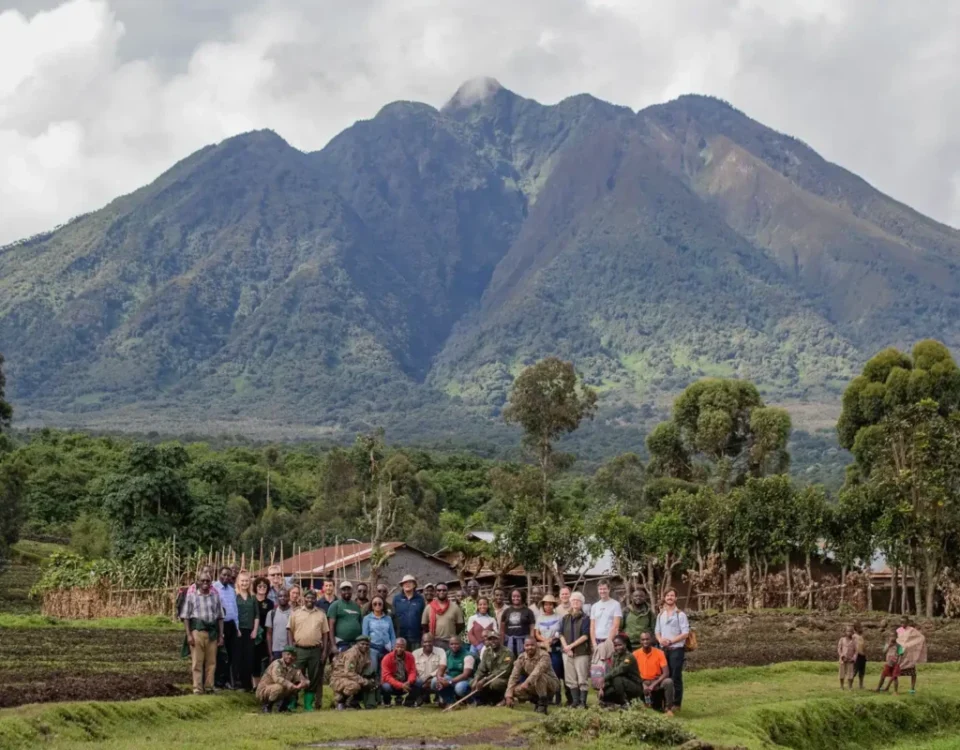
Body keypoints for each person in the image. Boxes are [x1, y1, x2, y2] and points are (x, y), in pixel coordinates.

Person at [180, 570, 225, 695]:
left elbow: (220, 617)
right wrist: (189, 635)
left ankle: (209, 687)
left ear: (211, 583)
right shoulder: (191, 597)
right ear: (198, 582)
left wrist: (221, 635)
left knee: (211, 662)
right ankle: (197, 688)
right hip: (197, 632)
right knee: (197, 662)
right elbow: (186, 617)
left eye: (208, 581)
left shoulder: (215, 597)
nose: (205, 583)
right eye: (203, 580)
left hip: (212, 633)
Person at [287, 588, 330, 711]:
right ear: (303, 599)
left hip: (315, 651)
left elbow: (326, 634)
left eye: (312, 598)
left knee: (313, 677)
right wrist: (291, 649)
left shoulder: (321, 614)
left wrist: (324, 652)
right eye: (308, 597)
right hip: (299, 650)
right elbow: (289, 630)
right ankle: (293, 702)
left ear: (315, 599)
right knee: (296, 676)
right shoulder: (296, 613)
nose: (310, 600)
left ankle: (308, 704)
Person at [504, 637, 561, 715]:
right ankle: (536, 701)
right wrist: (508, 695)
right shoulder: (521, 657)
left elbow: (537, 671)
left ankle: (542, 705)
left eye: (532, 645)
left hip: (551, 685)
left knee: (539, 676)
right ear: (524, 646)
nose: (529, 647)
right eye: (527, 645)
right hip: (534, 684)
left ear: (536, 645)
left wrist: (527, 682)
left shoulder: (544, 655)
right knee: (515, 690)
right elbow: (514, 676)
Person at [655, 588, 689, 711]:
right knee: (663, 676)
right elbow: (657, 631)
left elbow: (685, 633)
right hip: (663, 650)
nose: (670, 597)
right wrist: (660, 640)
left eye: (672, 595)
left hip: (676, 649)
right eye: (668, 595)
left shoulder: (680, 614)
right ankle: (665, 701)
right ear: (664, 598)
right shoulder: (660, 615)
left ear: (676, 598)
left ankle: (676, 703)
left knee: (675, 676)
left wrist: (671, 641)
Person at [559, 590, 591, 708]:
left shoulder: (585, 618)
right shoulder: (565, 617)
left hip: (581, 652)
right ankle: (575, 701)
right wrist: (566, 648)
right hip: (567, 653)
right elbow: (560, 634)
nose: (575, 602)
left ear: (582, 603)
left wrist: (571, 646)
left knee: (582, 677)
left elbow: (585, 636)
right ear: (570, 602)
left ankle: (583, 702)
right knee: (570, 678)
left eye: (578, 600)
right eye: (573, 600)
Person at [633, 632, 675, 714]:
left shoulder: (659, 653)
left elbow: (666, 673)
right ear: (640, 641)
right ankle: (639, 705)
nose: (645, 641)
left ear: (651, 640)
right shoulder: (635, 654)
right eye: (643, 640)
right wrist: (643, 684)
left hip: (656, 680)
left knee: (668, 682)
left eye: (647, 639)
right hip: (642, 681)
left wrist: (653, 685)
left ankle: (668, 708)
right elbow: (632, 673)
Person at [331, 635, 378, 710]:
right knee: (354, 686)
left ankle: (353, 702)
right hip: (340, 678)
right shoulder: (352, 654)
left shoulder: (365, 652)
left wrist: (371, 679)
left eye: (367, 644)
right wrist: (364, 681)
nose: (365, 646)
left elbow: (366, 667)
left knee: (369, 683)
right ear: (357, 644)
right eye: (362, 644)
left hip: (352, 676)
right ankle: (340, 701)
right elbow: (348, 673)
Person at [257, 646, 309, 713]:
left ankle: (283, 707)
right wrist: (291, 685)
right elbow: (277, 678)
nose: (290, 657)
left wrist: (303, 683)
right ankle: (267, 706)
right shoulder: (277, 663)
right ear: (283, 654)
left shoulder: (293, 667)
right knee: (280, 687)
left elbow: (302, 679)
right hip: (264, 690)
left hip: (276, 688)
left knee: (296, 685)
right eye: (288, 654)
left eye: (292, 655)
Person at [233, 571, 261, 691]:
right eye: (242, 581)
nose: (244, 583)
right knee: (238, 657)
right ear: (238, 582)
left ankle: (247, 685)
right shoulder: (235, 596)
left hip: (250, 631)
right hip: (238, 631)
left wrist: (255, 630)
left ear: (250, 582)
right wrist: (236, 629)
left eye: (246, 581)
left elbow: (257, 615)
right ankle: (238, 683)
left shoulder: (253, 598)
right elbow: (233, 614)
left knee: (249, 658)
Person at [599, 635, 644, 708]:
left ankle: (625, 703)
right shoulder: (615, 655)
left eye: (620, 645)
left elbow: (619, 670)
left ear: (625, 644)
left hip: (634, 686)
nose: (617, 647)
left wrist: (604, 678)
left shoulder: (629, 657)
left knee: (617, 678)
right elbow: (612, 671)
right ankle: (613, 703)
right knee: (605, 693)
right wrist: (603, 687)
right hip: (621, 684)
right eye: (615, 645)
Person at [535, 594, 564, 704]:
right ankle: (548, 696)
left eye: (550, 604)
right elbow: (536, 633)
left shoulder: (558, 617)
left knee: (556, 671)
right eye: (546, 604)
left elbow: (560, 631)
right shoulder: (540, 618)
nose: (548, 606)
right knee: (545, 671)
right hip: (543, 647)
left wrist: (552, 639)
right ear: (543, 605)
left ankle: (558, 696)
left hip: (555, 647)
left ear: (553, 605)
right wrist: (544, 640)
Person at [471, 630, 514, 705]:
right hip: (490, 677)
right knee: (473, 682)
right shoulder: (487, 652)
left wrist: (485, 679)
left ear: (499, 639)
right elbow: (481, 668)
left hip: (504, 678)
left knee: (495, 683)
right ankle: (482, 701)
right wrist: (476, 679)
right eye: (490, 639)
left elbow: (503, 671)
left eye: (495, 639)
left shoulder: (507, 653)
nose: (493, 641)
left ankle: (500, 699)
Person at [213, 566, 239, 689]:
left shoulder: (232, 590)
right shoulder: (214, 588)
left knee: (232, 654)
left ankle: (229, 681)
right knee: (220, 655)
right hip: (220, 625)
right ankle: (218, 681)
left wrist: (237, 627)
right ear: (219, 574)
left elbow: (235, 610)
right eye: (224, 574)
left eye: (228, 576)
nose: (226, 577)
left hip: (231, 625)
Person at [422, 583, 464, 651]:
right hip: (434, 642)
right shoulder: (429, 607)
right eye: (439, 590)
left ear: (447, 591)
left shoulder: (455, 607)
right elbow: (424, 625)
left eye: (444, 590)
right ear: (436, 592)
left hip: (450, 643)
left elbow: (460, 625)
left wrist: (451, 633)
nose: (441, 592)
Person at [434, 635, 475, 706]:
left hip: (465, 680)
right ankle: (450, 701)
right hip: (451, 678)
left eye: (456, 644)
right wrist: (439, 678)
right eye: (452, 644)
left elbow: (465, 675)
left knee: (459, 688)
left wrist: (449, 682)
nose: (454, 646)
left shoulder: (468, 655)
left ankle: (470, 700)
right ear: (449, 645)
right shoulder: (447, 653)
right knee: (434, 682)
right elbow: (441, 668)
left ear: (461, 644)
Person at [328, 581, 365, 652]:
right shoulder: (335, 605)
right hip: (341, 643)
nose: (346, 591)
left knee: (354, 663)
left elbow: (360, 622)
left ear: (352, 591)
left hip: (355, 644)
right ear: (340, 591)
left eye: (348, 589)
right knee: (342, 662)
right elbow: (331, 627)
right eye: (344, 590)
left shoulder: (356, 605)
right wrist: (333, 645)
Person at [380, 637, 418, 706]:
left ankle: (409, 701)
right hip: (392, 685)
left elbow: (413, 671)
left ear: (405, 647)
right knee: (386, 686)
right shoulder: (387, 658)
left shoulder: (410, 656)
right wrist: (400, 685)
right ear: (394, 646)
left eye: (402, 647)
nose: (399, 649)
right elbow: (386, 676)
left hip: (406, 683)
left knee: (419, 682)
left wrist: (409, 682)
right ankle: (387, 702)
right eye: (397, 646)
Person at [393, 574, 427, 651]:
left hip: (416, 637)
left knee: (415, 660)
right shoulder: (396, 599)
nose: (407, 584)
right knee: (401, 660)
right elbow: (393, 616)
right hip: (400, 637)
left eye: (410, 582)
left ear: (414, 585)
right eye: (405, 582)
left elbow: (423, 617)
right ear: (402, 585)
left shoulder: (420, 599)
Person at [362, 595, 396, 671]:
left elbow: (392, 634)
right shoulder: (367, 618)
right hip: (373, 647)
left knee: (386, 670)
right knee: (373, 669)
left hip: (386, 647)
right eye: (375, 604)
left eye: (380, 604)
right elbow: (365, 635)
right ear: (372, 606)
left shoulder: (388, 618)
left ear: (383, 605)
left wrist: (393, 647)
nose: (377, 605)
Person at [412, 633, 446, 706]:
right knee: (414, 680)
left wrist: (430, 678)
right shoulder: (415, 653)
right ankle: (419, 697)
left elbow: (442, 667)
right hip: (420, 681)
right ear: (421, 643)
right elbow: (412, 670)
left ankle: (440, 698)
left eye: (429, 641)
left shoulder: (441, 651)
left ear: (433, 642)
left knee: (436, 681)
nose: (427, 644)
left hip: (434, 679)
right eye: (425, 642)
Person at [501, 589, 536, 658]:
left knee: (524, 661)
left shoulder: (528, 611)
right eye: (513, 596)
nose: (516, 598)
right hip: (509, 642)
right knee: (508, 661)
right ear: (510, 597)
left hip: (524, 642)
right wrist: (502, 644)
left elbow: (532, 629)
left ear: (522, 597)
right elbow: (502, 630)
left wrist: (531, 643)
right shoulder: (506, 611)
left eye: (518, 596)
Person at [896, 617, 927, 694]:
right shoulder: (899, 630)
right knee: (896, 671)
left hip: (909, 653)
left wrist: (910, 645)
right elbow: (899, 640)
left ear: (908, 622)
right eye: (901, 622)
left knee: (912, 672)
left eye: (904, 622)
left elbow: (921, 637)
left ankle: (912, 688)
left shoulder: (912, 630)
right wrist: (899, 650)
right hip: (901, 652)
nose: (902, 624)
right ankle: (895, 690)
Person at [253, 576, 274, 686]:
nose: (262, 588)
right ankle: (254, 685)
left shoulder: (269, 603)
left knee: (265, 658)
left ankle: (265, 684)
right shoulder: (252, 600)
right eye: (259, 586)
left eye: (264, 586)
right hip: (253, 634)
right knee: (254, 659)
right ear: (255, 587)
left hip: (266, 634)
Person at [590, 579, 622, 651]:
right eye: (600, 589)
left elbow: (616, 626)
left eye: (604, 589)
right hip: (597, 640)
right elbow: (592, 627)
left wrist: (608, 642)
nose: (602, 591)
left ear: (609, 589)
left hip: (611, 640)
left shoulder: (615, 604)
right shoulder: (594, 606)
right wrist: (594, 644)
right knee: (598, 662)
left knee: (610, 662)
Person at [266, 588, 292, 660]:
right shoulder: (271, 613)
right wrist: (270, 653)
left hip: (289, 650)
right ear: (277, 598)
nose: (283, 598)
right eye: (280, 596)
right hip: (276, 650)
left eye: (285, 596)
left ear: (289, 598)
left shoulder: (294, 613)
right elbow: (269, 634)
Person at [837, 624, 857, 689]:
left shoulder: (854, 641)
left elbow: (856, 651)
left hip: (850, 660)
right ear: (845, 632)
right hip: (843, 659)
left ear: (853, 632)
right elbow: (839, 649)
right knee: (841, 673)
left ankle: (850, 687)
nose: (849, 633)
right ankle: (841, 686)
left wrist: (853, 658)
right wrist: (842, 656)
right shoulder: (842, 640)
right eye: (848, 631)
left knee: (850, 674)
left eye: (851, 631)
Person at [852, 620, 867, 689]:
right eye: (859, 627)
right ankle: (850, 684)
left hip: (862, 655)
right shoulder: (854, 636)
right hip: (857, 655)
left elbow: (863, 645)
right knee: (855, 670)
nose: (861, 629)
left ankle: (861, 685)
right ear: (856, 628)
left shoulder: (861, 636)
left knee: (862, 671)